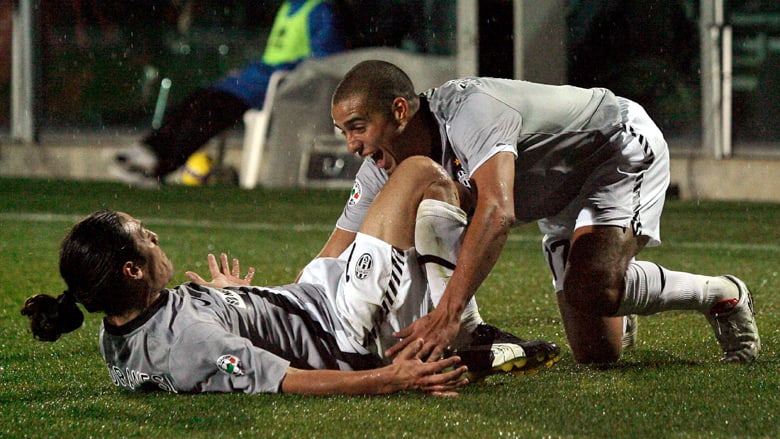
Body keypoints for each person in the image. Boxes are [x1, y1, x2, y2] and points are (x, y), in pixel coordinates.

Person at [322, 59, 761, 365]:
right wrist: (292, 314)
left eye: (358, 128)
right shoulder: (380, 165)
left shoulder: (471, 111)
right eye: (344, 132)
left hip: (613, 150)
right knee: (597, 355)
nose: (352, 146)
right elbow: (333, 255)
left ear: (400, 111)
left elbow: (497, 212)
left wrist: (448, 315)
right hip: (555, 193)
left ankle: (719, 294)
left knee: (591, 287)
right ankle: (606, 284)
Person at [21, 158, 559, 395]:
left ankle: (454, 329)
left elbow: (175, 344)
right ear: (132, 269)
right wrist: (393, 379)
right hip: (342, 329)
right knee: (419, 173)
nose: (155, 235)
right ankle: (461, 331)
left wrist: (231, 302)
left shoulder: (117, 330)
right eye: (145, 235)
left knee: (407, 193)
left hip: (313, 296)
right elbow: (291, 380)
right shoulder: (192, 342)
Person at [111, 0, 346, 188]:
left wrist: (286, 71)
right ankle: (148, 150)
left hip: (269, 88)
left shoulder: (319, 9)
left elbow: (326, 60)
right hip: (250, 81)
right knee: (196, 101)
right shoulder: (290, 7)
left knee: (206, 114)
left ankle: (156, 166)